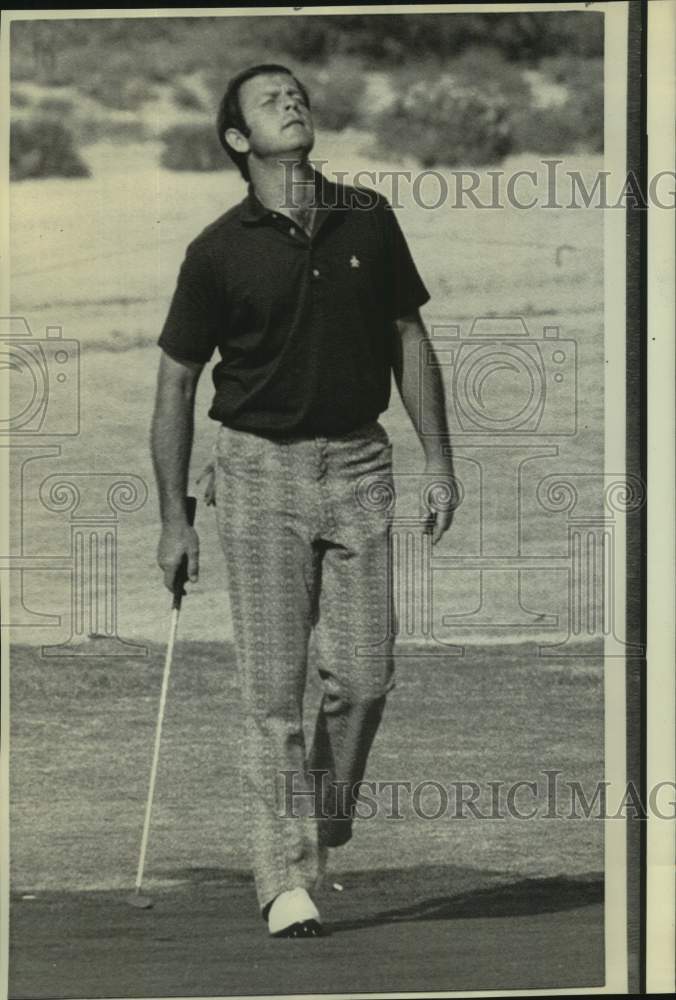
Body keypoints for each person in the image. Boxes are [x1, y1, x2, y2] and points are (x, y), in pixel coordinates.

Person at [150, 63, 455, 938]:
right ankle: (286, 880)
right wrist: (174, 517)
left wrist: (440, 460)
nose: (292, 101)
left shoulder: (367, 215)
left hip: (361, 464)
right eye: (268, 99)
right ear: (239, 141)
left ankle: (315, 815)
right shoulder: (215, 251)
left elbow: (409, 336)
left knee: (365, 678)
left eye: (296, 92)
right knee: (272, 693)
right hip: (256, 475)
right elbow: (175, 386)